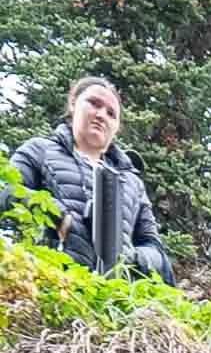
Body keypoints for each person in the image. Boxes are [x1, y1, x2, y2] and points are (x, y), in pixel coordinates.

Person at [9, 78, 172, 277]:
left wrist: (131, 257)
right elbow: (6, 190)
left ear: (116, 127)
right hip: (48, 284)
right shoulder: (40, 150)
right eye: (94, 103)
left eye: (111, 113)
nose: (101, 115)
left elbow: (155, 248)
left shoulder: (132, 182)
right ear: (73, 104)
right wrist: (56, 214)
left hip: (111, 298)